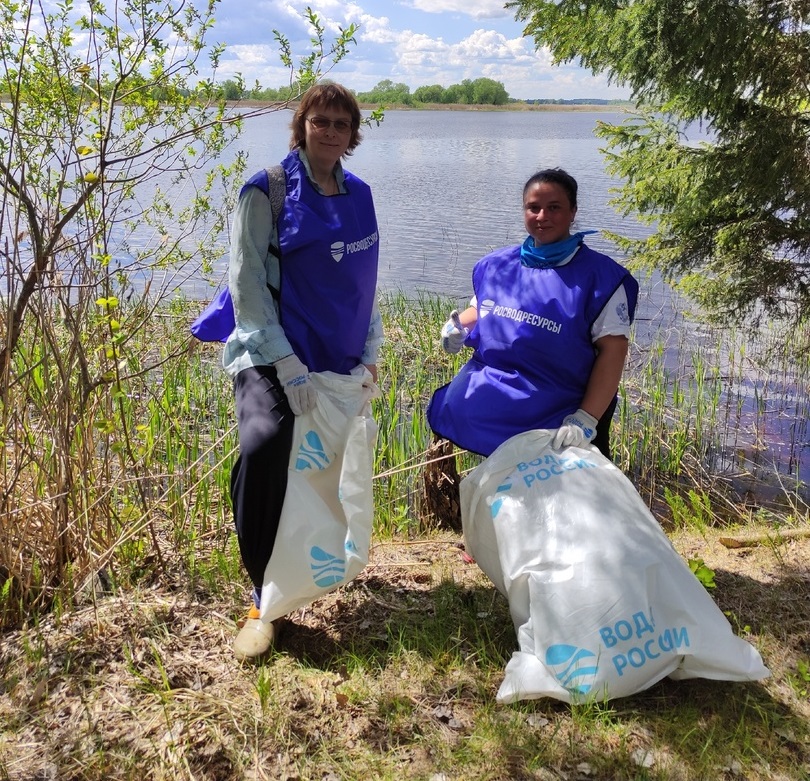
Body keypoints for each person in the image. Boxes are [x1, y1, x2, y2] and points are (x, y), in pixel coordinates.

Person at [224, 83, 383, 660]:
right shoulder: (266, 190)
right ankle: (260, 598)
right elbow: (246, 289)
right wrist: (284, 361)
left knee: (319, 469)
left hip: (336, 360)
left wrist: (372, 346)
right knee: (266, 445)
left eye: (343, 123)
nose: (332, 131)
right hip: (270, 354)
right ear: (302, 124)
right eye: (322, 120)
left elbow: (364, 281)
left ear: (353, 132)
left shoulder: (360, 193)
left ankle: (305, 568)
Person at [427, 168, 638, 460]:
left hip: (564, 410)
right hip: (500, 402)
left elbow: (613, 351)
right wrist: (457, 329)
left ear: (573, 212)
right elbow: (481, 309)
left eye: (554, 208)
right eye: (533, 208)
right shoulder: (498, 265)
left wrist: (586, 418)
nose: (542, 216)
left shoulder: (600, 278)